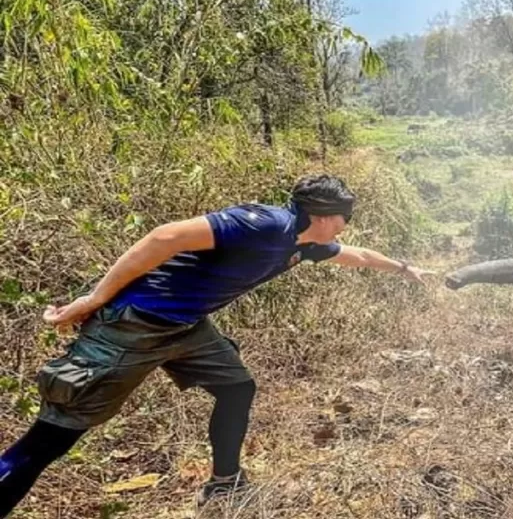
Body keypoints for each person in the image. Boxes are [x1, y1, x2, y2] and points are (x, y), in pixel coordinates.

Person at [0, 174, 435, 515]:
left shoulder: (302, 245)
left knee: (236, 387)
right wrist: (95, 298)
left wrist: (404, 268)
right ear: (324, 214)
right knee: (53, 439)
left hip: (187, 328)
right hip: (133, 326)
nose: (346, 226)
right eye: (346, 218)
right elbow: (165, 237)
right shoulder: (265, 224)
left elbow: (355, 255)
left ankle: (225, 480)